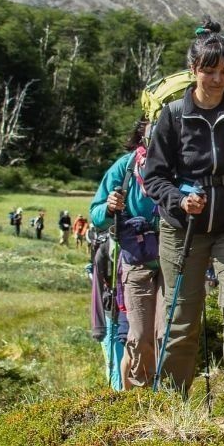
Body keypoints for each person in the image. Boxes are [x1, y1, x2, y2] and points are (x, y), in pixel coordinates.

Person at [142, 18, 224, 422]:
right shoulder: (173, 116)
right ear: (193, 70)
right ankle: (173, 402)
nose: (217, 79)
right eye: (209, 71)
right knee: (183, 313)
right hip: (183, 228)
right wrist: (179, 200)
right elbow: (153, 177)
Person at [90, 117, 165, 388]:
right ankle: (135, 401)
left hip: (173, 256)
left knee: (167, 334)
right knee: (139, 335)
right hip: (136, 258)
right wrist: (110, 208)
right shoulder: (125, 167)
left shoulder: (181, 162)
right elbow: (96, 214)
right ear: (141, 136)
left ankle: (168, 402)